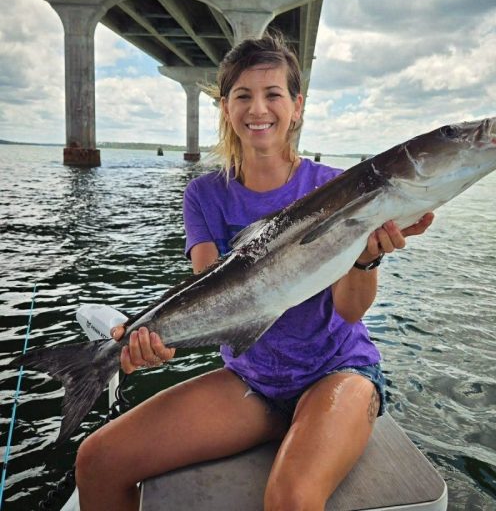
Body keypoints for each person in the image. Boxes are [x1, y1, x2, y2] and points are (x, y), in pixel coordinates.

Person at [75, 32, 434, 511]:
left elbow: (349, 312)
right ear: (225, 108)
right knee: (97, 459)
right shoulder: (204, 195)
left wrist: (366, 258)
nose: (258, 108)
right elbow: (212, 293)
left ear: (297, 106)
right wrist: (156, 339)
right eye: (243, 95)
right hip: (253, 381)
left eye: (273, 94)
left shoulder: (337, 187)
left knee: (290, 499)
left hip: (338, 372)